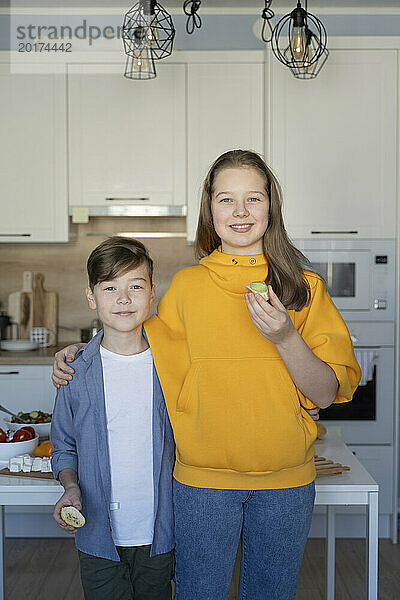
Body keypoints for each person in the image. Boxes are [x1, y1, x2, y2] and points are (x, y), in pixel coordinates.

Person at [52, 150, 361, 600]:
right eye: (225, 199)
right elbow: (135, 342)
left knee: (270, 594)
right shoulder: (187, 288)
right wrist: (78, 354)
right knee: (199, 593)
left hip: (286, 483)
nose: (240, 212)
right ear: (209, 209)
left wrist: (286, 337)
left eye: (253, 198)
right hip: (201, 485)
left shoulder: (302, 286)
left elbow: (327, 392)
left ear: (271, 207)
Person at [51, 237, 175, 600]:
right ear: (92, 297)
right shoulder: (75, 371)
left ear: (152, 294)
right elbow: (64, 446)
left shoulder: (172, 364)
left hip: (161, 533)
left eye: (135, 286)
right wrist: (70, 487)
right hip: (97, 537)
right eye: (110, 288)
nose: (124, 299)